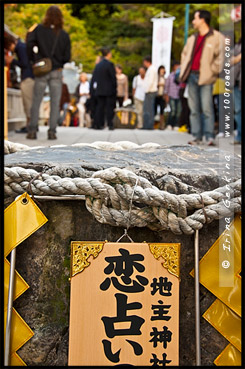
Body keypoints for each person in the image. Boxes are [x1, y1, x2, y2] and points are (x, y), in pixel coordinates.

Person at [180, 9, 225, 146]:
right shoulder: (192, 38)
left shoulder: (217, 37)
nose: (193, 22)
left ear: (202, 20)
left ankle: (209, 136)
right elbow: (184, 55)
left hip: (206, 77)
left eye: (195, 18)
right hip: (192, 75)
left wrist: (212, 71)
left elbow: (221, 57)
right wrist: (184, 70)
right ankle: (196, 136)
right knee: (193, 108)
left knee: (207, 107)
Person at [26, 6, 71, 140]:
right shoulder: (64, 35)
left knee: (37, 100)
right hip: (56, 71)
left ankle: (32, 130)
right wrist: (59, 63)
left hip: (41, 70)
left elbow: (29, 44)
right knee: (55, 102)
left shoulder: (38, 29)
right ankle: (52, 131)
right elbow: (67, 56)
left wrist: (34, 59)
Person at [4, 35, 35, 133]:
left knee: (28, 103)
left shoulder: (21, 48)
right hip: (30, 77)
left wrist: (12, 60)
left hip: (28, 78)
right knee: (29, 102)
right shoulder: (22, 46)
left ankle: (30, 126)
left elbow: (25, 64)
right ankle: (31, 125)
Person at [91, 47, 117, 130]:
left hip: (99, 89)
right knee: (109, 107)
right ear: (108, 54)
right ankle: (110, 124)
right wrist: (114, 87)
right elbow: (113, 78)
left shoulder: (98, 65)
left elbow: (94, 79)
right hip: (108, 90)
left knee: (100, 107)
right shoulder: (110, 65)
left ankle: (99, 124)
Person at [164, 62, 181, 130]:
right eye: (176, 66)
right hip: (171, 95)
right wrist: (166, 95)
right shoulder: (170, 76)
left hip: (179, 95)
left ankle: (176, 124)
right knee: (173, 110)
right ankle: (169, 124)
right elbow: (166, 87)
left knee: (178, 111)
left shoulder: (181, 75)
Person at [230, 38, 241, 144]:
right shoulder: (237, 46)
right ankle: (239, 135)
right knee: (238, 110)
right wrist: (238, 58)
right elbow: (228, 61)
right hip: (237, 82)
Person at [142, 55, 158, 130]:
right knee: (148, 108)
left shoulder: (152, 69)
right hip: (150, 90)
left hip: (150, 91)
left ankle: (149, 125)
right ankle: (147, 124)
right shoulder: (151, 69)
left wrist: (146, 90)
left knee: (148, 109)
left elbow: (150, 81)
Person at [154, 65, 166, 130]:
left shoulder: (165, 78)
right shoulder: (156, 78)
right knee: (155, 110)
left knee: (162, 111)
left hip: (162, 96)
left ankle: (162, 125)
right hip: (156, 95)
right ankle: (154, 124)